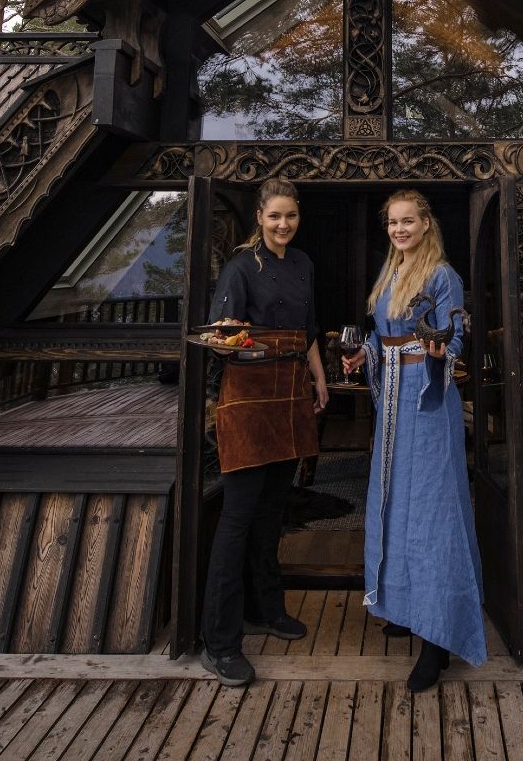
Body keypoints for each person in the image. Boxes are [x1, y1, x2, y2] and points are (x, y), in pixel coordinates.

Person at [341, 188, 487, 691]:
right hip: (391, 407)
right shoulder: (391, 273)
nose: (399, 230)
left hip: (425, 403)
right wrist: (365, 356)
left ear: (426, 224)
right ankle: (404, 606)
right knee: (394, 505)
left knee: (431, 512)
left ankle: (439, 640)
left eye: (407, 221)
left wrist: (436, 350)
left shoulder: (442, 275)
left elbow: (455, 339)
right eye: (392, 223)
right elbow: (382, 337)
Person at [199, 178, 329, 688]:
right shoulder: (239, 268)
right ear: (260, 217)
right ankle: (220, 643)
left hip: (293, 394)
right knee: (237, 520)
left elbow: (309, 332)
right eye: (275, 216)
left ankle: (266, 609)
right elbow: (220, 338)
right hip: (249, 401)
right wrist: (236, 343)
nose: (283, 225)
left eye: (291, 217)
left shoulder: (303, 265)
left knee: (274, 511)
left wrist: (319, 378)